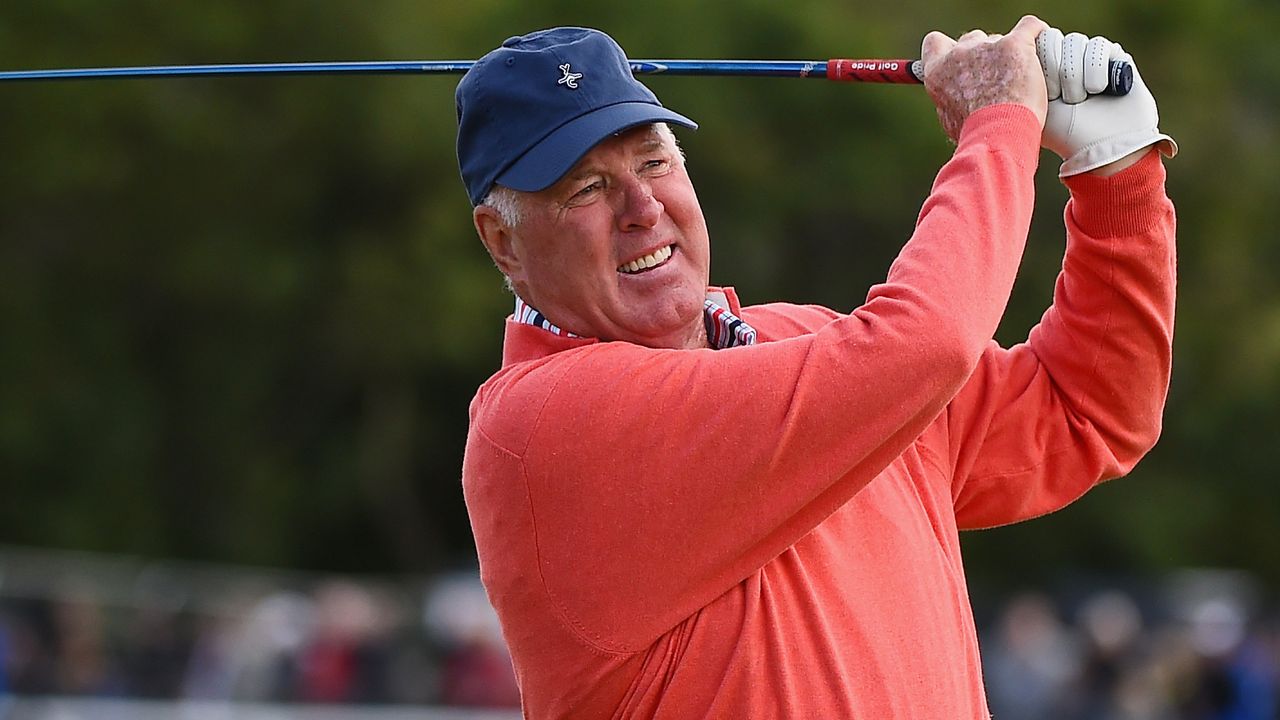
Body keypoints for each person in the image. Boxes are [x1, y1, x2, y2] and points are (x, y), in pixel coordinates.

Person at [455, 15, 1177, 718]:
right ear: (504, 243)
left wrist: (1117, 170)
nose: (643, 207)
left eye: (654, 161)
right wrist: (999, 123)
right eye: (587, 188)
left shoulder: (810, 342)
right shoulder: (544, 423)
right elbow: (925, 343)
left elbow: (1086, 408)